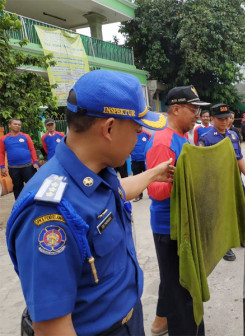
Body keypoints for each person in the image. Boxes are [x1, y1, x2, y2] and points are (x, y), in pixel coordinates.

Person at [6, 69, 172, 336]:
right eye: (137, 128)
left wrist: (155, 173)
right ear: (108, 128)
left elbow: (117, 192)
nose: (142, 135)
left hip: (129, 319)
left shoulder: (96, 171)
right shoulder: (50, 211)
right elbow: (53, 328)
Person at [145, 85, 209, 336]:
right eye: (193, 109)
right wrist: (184, 180)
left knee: (177, 285)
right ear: (175, 108)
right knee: (182, 290)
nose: (197, 115)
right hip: (169, 228)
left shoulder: (183, 138)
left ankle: (161, 323)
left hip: (183, 224)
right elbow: (155, 190)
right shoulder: (163, 140)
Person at [199, 103, 245, 262]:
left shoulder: (233, 135)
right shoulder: (206, 138)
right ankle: (224, 245)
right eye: (220, 119)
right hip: (217, 184)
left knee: (244, 207)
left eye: (227, 118)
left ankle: (240, 235)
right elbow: (201, 164)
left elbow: (239, 157)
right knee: (222, 213)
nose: (225, 122)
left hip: (235, 180)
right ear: (213, 119)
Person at [0, 118, 39, 199]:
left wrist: (35, 162)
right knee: (17, 187)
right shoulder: (3, 139)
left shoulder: (26, 136)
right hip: (13, 168)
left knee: (31, 186)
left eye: (19, 125)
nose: (17, 126)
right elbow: (1, 153)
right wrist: (2, 167)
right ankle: (19, 205)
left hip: (28, 166)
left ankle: (32, 203)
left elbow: (32, 149)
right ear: (9, 125)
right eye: (15, 124)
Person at [131, 129, 152, 202]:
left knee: (149, 177)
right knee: (137, 179)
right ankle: (138, 195)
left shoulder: (147, 134)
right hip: (135, 161)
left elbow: (151, 145)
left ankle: (151, 194)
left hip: (146, 161)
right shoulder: (131, 134)